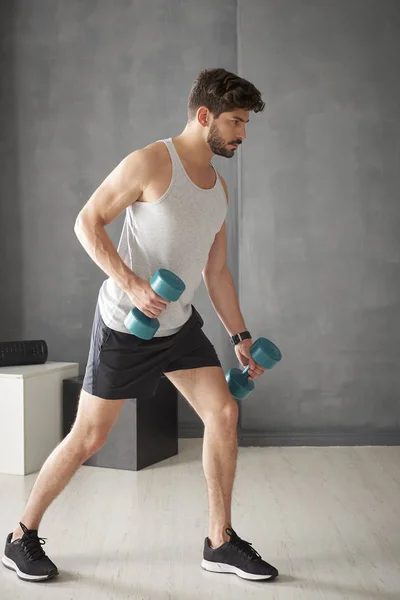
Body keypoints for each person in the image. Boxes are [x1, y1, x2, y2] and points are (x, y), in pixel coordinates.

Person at [2, 68, 279, 583]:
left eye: (245, 123)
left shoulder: (219, 189)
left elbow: (215, 273)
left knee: (222, 414)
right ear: (204, 116)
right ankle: (20, 535)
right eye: (236, 121)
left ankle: (219, 541)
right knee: (89, 437)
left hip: (178, 326)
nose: (243, 133)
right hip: (126, 327)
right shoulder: (152, 162)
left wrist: (240, 338)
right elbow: (87, 221)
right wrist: (131, 285)